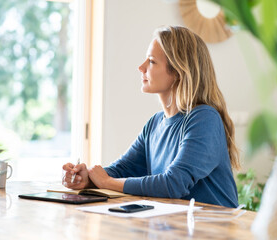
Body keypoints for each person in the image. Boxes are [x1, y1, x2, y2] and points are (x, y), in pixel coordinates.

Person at [62, 26, 240, 208]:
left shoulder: (204, 119)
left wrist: (106, 182)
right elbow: (124, 169)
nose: (141, 67)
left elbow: (173, 184)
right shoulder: (155, 123)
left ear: (178, 72)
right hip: (176, 226)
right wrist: (88, 179)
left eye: (152, 62)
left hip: (215, 229)